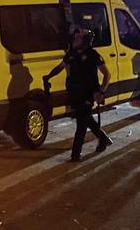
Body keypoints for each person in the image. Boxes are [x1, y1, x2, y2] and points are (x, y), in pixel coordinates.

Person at [44, 29, 113, 162]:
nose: (75, 40)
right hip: (75, 92)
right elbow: (60, 67)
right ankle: (103, 139)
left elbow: (107, 74)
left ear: (85, 40)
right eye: (75, 37)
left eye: (79, 38)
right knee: (86, 119)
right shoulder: (71, 54)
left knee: (81, 123)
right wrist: (49, 77)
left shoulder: (93, 55)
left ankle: (75, 154)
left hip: (88, 93)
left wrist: (101, 92)